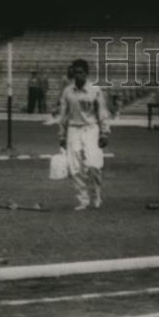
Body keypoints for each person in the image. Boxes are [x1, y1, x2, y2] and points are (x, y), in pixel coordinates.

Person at [58, 58, 110, 211]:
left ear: (87, 73)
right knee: (75, 167)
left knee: (94, 164)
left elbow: (102, 112)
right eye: (75, 73)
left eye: (80, 73)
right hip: (73, 129)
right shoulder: (67, 91)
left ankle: (97, 195)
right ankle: (83, 199)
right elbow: (63, 115)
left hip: (91, 128)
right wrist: (61, 135)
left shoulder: (95, 89)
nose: (77, 76)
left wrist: (104, 132)